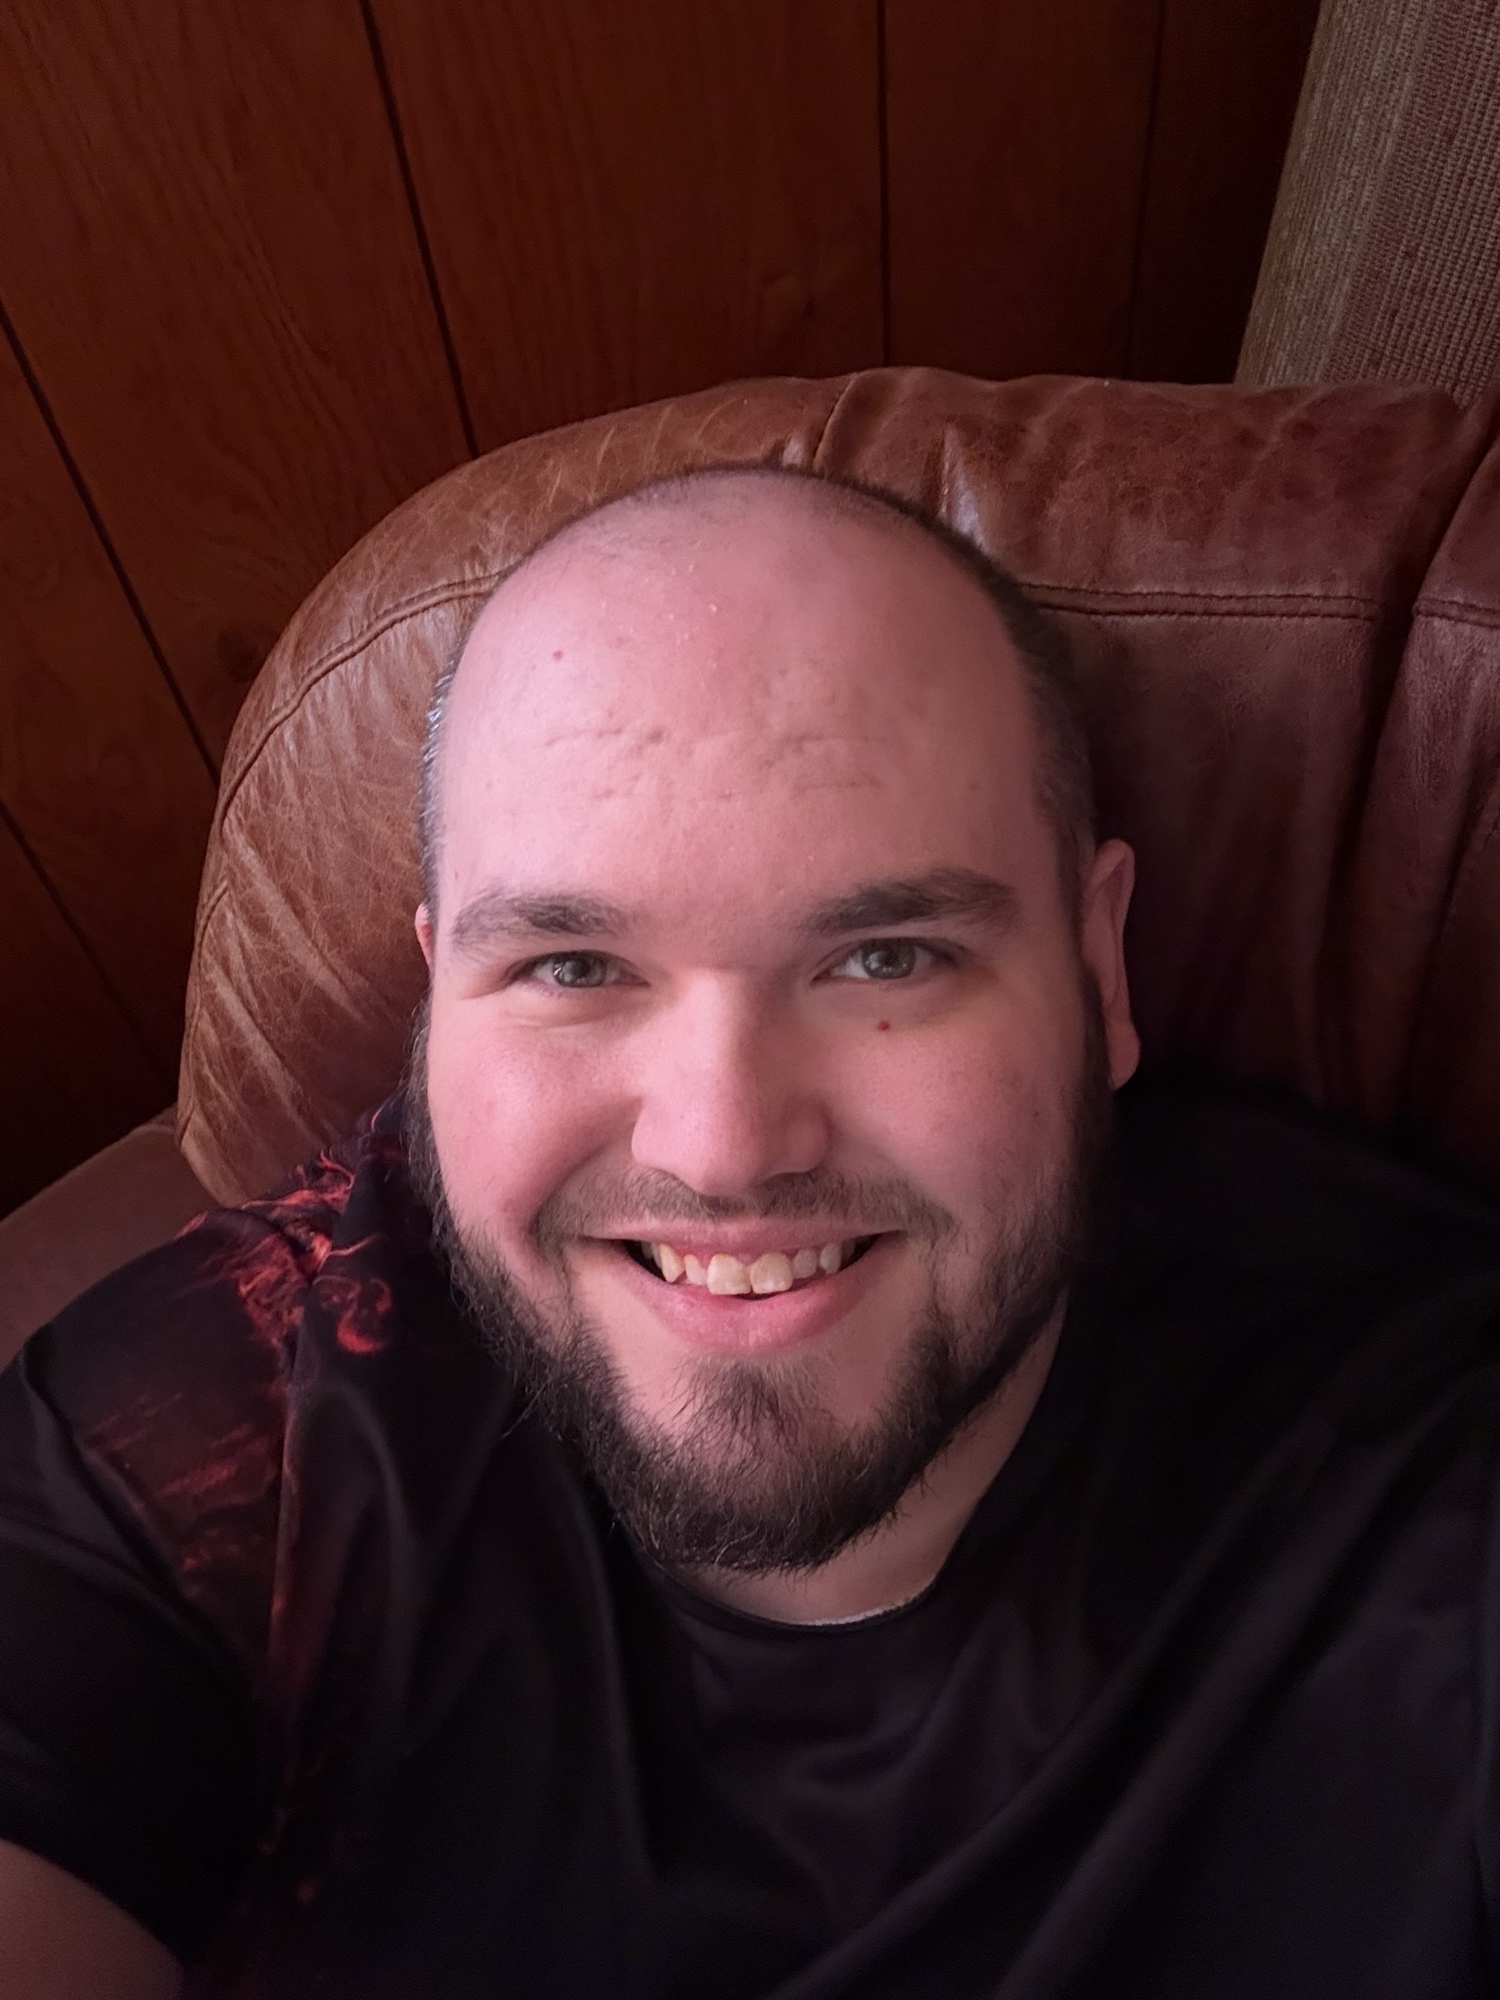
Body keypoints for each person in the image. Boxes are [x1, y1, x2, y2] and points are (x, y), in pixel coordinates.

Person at [0, 465, 1497, 2000]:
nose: (719, 1145)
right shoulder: (242, 1420)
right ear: (440, 1000)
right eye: (573, 967)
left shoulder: (1417, 1457)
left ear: (1099, 969)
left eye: (885, 955)